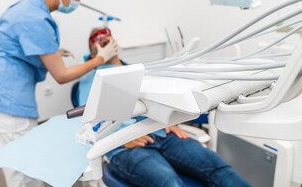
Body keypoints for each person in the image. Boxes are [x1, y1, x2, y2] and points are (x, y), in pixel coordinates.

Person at [0, 0, 118, 187]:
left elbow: (19, 41)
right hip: (5, 97)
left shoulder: (30, 5)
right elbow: (61, 76)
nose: (77, 3)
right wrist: (101, 58)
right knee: (24, 167)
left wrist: (49, 50)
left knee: (24, 158)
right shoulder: (36, 19)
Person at [77, 28, 251, 187]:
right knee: (170, 182)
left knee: (218, 167)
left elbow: (157, 101)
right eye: (96, 39)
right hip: (125, 146)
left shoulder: (139, 71)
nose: (102, 38)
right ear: (92, 54)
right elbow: (91, 123)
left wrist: (167, 120)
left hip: (162, 133)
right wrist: (120, 139)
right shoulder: (89, 81)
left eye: (107, 35)